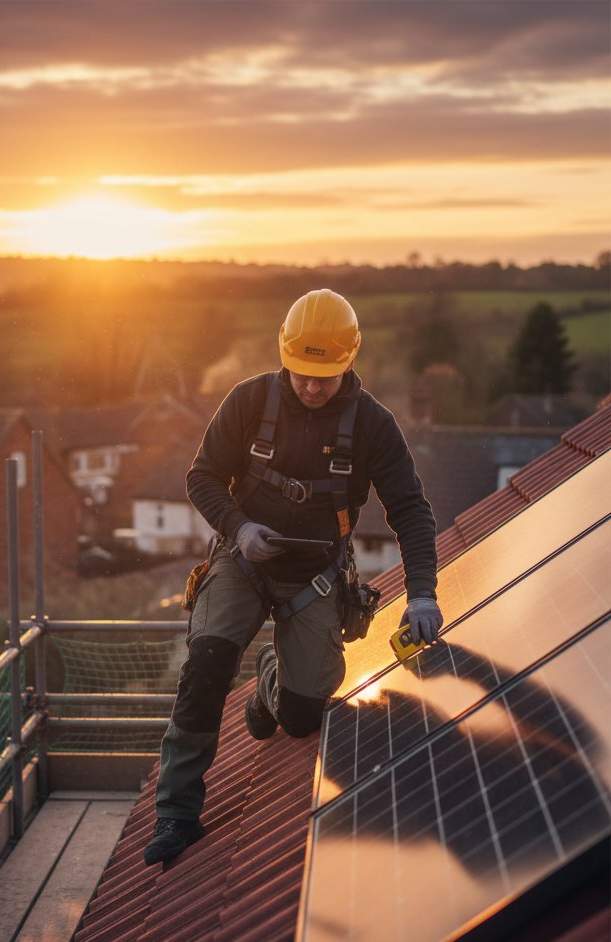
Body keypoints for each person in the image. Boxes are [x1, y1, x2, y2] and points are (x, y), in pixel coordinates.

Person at [143, 288, 443, 866]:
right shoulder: (249, 401)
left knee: (303, 719)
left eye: (325, 376)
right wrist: (238, 526)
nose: (311, 385)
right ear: (285, 356)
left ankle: (273, 679)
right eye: (302, 372)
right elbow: (202, 478)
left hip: (317, 576)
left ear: (349, 361)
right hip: (243, 561)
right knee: (204, 668)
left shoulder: (373, 425)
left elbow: (410, 509)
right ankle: (176, 813)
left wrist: (425, 593)